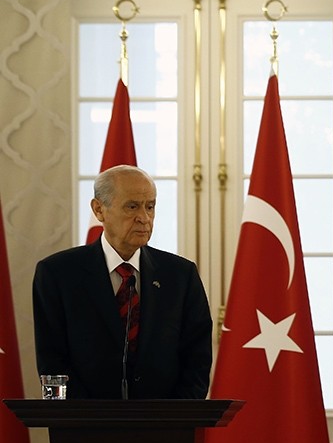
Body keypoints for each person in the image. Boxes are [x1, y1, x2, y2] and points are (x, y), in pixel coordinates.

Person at [33, 165, 212, 399]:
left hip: (165, 426)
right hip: (82, 427)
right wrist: (82, 419)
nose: (144, 218)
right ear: (99, 210)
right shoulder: (57, 274)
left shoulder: (180, 275)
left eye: (150, 207)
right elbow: (51, 362)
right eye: (132, 206)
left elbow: (197, 361)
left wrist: (174, 418)